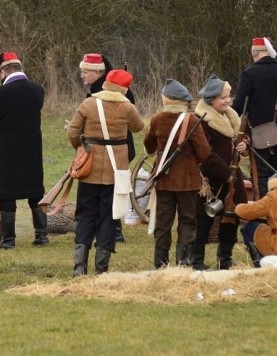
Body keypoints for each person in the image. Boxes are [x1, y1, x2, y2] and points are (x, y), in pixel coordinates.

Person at [66, 69, 145, 275]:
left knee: (85, 215)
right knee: (109, 217)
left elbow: (73, 131)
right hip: (115, 171)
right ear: (124, 89)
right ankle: (102, 268)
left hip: (89, 169)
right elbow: (139, 127)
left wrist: (80, 148)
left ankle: (79, 267)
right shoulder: (127, 107)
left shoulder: (88, 104)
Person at [0, 52, 49, 249]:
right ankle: (42, 235)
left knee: (6, 193)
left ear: (3, 71)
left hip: (7, 150)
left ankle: (8, 239)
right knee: (35, 191)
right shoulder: (38, 91)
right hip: (32, 149)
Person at [143, 79, 211, 269]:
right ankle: (183, 262)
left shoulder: (157, 119)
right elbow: (204, 152)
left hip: (164, 178)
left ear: (166, 99)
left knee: (163, 221)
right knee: (188, 219)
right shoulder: (192, 120)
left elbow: (149, 146)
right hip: (188, 180)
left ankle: (160, 263)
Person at [78, 53, 138, 238]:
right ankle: (110, 230)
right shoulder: (99, 88)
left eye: (85, 72)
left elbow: (134, 122)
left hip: (114, 149)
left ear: (97, 73)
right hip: (112, 148)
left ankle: (113, 231)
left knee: (108, 192)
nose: (82, 76)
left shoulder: (106, 92)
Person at [192, 75, 248, 270]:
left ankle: (225, 258)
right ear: (211, 99)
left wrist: (242, 146)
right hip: (211, 178)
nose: (227, 100)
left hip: (231, 177)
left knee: (231, 218)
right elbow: (205, 154)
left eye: (228, 96)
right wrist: (226, 174)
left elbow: (239, 142)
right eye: (223, 97)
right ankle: (197, 260)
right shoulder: (201, 121)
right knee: (203, 222)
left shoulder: (230, 117)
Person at [231, 36, 277, 196]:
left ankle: (264, 210)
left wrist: (230, 124)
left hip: (258, 135)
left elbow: (239, 105)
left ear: (254, 53)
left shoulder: (249, 74)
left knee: (260, 176)